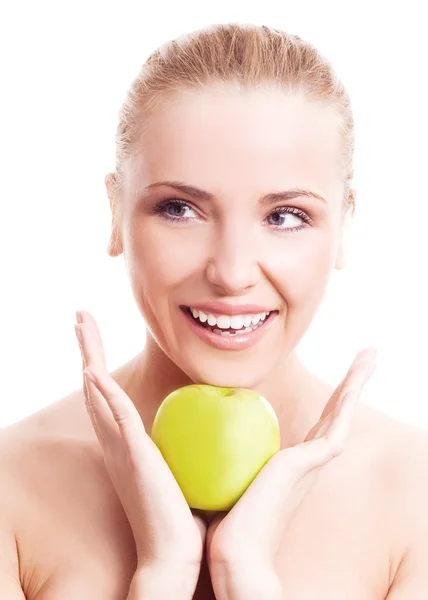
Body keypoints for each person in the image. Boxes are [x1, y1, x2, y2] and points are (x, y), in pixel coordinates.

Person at [1, 22, 427, 600]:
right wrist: (163, 572)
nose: (231, 272)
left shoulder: (413, 497)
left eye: (285, 217)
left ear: (345, 222)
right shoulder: (12, 488)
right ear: (115, 211)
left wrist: (245, 574)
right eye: (180, 209)